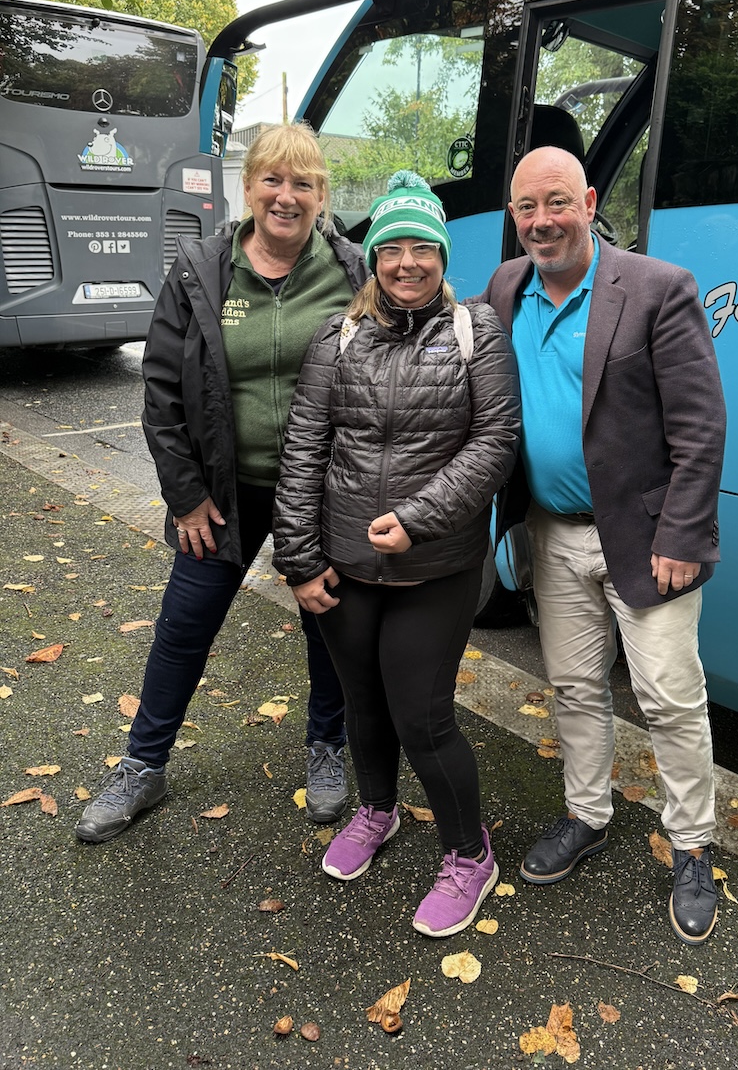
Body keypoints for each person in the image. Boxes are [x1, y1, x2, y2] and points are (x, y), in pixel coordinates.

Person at [75, 124, 369, 844]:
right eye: (273, 179)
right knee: (183, 625)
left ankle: (327, 749)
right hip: (224, 492)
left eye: (303, 183)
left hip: (321, 492)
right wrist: (185, 494)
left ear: (322, 196)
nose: (286, 196)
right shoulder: (201, 268)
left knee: (327, 624)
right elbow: (161, 385)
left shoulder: (352, 270)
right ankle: (144, 764)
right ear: (250, 187)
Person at [479, 145, 726, 946]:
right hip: (551, 535)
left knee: (667, 698)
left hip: (647, 539)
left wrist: (683, 532)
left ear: (588, 201)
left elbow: (700, 425)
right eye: (526, 208)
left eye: (556, 202)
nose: (542, 221)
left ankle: (693, 845)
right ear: (513, 218)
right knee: (575, 685)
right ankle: (587, 812)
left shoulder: (657, 289)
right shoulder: (506, 288)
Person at [272, 171, 520, 938]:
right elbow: (304, 449)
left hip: (433, 567)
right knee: (362, 704)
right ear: (373, 256)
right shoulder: (336, 336)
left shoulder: (477, 330)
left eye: (423, 248)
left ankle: (467, 853)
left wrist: (418, 517)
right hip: (345, 567)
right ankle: (377, 810)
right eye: (392, 248)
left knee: (423, 716)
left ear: (444, 255)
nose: (407, 262)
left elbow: (496, 441)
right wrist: (301, 561)